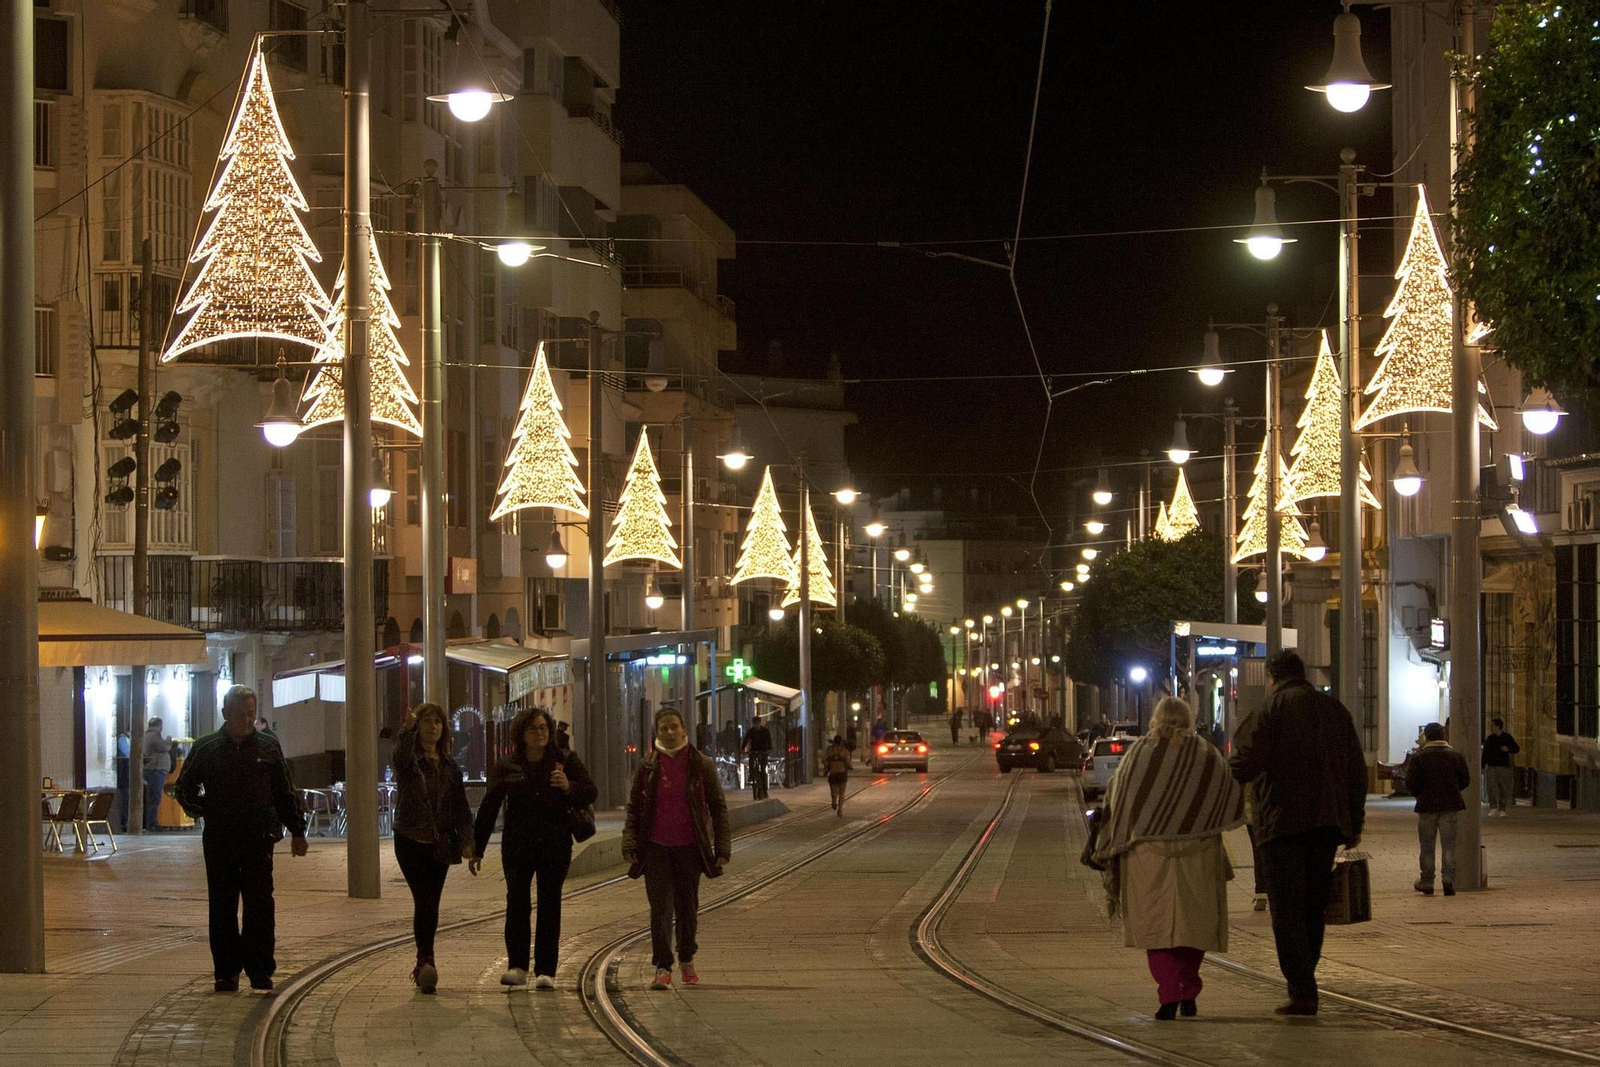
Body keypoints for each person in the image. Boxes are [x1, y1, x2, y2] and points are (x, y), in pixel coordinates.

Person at [1230, 649, 1366, 1017]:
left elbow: (1243, 763)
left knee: (1287, 909)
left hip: (1281, 825)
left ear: (1273, 678)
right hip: (1326, 825)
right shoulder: (1335, 711)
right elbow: (1357, 770)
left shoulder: (1270, 711)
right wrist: (1354, 821)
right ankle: (1305, 981)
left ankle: (1302, 988)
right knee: (1313, 907)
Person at [1093, 697, 1244, 1020]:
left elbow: (1120, 802)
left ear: (1155, 717)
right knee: (1194, 928)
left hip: (1148, 857)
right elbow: (1229, 794)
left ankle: (1168, 996)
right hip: (1199, 854)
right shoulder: (1206, 753)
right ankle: (1188, 992)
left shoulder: (1139, 754)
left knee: (1156, 929)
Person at [174, 686, 307, 993]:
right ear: (225, 714)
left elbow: (285, 792)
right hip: (220, 839)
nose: (247, 721)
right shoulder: (206, 748)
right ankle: (226, 971)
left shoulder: (268, 748)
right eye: (240, 715)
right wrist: (204, 810)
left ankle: (260, 970)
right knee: (222, 905)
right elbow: (184, 789)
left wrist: (297, 831)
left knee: (260, 905)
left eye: (251, 714)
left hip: (258, 838)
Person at [472, 707, 596, 990]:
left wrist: (568, 786)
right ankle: (517, 965)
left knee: (550, 903)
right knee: (517, 902)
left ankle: (545, 970)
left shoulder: (565, 760)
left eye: (543, 728)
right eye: (533, 729)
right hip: (518, 845)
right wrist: (477, 848)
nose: (539, 733)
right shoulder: (508, 765)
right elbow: (490, 807)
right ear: (521, 734)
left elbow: (590, 791)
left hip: (555, 843)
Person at [622, 708, 731, 990]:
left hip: (690, 848)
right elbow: (634, 809)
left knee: (687, 906)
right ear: (656, 733)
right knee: (660, 908)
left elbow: (718, 808)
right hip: (656, 847)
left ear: (684, 729)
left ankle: (686, 957)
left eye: (674, 727)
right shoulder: (647, 766)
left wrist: (722, 847)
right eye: (663, 729)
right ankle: (662, 966)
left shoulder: (700, 765)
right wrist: (630, 843)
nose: (669, 733)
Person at [391, 702, 476, 993]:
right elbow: (400, 755)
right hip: (410, 838)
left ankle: (425, 960)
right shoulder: (409, 760)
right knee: (423, 898)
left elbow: (461, 807)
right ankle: (425, 960)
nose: (433, 727)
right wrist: (407, 730)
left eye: (438, 723)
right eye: (427, 722)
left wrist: (467, 841)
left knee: (431, 901)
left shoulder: (451, 766)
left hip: (440, 842)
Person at [1406, 722, 1470, 896]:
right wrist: (1452, 789)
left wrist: (1421, 794)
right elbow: (1465, 780)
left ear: (1426, 736)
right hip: (1450, 805)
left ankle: (1427, 881)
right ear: (1444, 735)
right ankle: (1448, 878)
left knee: (1427, 845)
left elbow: (1411, 783)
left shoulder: (1419, 757)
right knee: (1449, 845)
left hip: (1427, 806)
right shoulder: (1455, 756)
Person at [1482, 717, 1520, 817]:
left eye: (1492, 726)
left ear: (1498, 727)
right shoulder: (1490, 739)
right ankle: (1493, 807)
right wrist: (1482, 765)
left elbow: (1517, 748)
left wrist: (1508, 749)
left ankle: (1502, 808)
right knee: (1491, 787)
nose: (1491, 728)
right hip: (1492, 766)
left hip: (1503, 767)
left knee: (1503, 788)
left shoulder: (1507, 737)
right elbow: (1485, 753)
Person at [142, 717, 171, 831]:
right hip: (156, 770)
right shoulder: (154, 736)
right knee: (154, 797)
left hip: (154, 769)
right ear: (159, 725)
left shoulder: (147, 735)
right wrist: (169, 741)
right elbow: (164, 747)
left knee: (153, 797)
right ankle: (152, 823)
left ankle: (151, 822)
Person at [743, 715, 772, 800]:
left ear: (760, 723)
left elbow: (769, 741)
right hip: (754, 751)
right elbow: (746, 739)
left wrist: (768, 749)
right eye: (754, 724)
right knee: (752, 765)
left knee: (763, 770)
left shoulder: (765, 731)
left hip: (763, 752)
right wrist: (743, 748)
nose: (756, 725)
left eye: (757, 723)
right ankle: (752, 774)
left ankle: (765, 790)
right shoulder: (751, 731)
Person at [824, 734, 851, 816]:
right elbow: (848, 763)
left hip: (833, 774)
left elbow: (823, 759)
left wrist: (827, 765)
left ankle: (834, 801)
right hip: (842, 774)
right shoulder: (845, 751)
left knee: (833, 791)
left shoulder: (830, 750)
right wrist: (850, 767)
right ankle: (840, 810)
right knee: (842, 793)